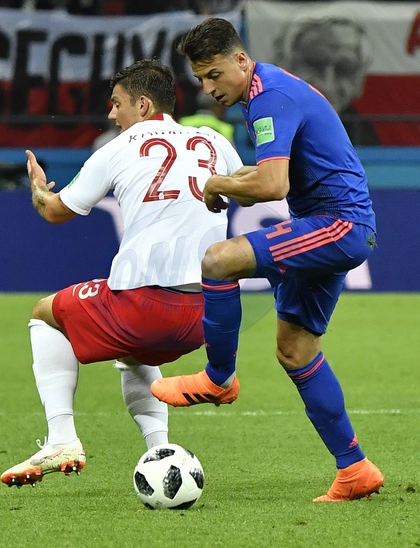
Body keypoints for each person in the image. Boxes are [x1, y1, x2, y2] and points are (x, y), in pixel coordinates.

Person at [150, 18, 384, 502]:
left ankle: (218, 377)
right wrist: (234, 180)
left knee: (218, 261)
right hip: (333, 225)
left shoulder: (269, 97)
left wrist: (218, 184)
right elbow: (271, 172)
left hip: (337, 225)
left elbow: (273, 185)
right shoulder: (266, 90)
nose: (209, 88)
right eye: (201, 79)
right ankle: (354, 469)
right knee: (295, 350)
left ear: (241, 59)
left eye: (214, 74)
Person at [0, 58, 242, 487]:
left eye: (117, 103)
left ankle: (61, 439)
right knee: (132, 353)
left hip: (143, 307)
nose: (111, 114)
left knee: (45, 314)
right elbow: (250, 188)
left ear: (143, 105)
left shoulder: (118, 147)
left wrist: (37, 187)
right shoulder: (215, 142)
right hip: (207, 318)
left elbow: (55, 212)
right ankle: (161, 451)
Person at [272, 16, 380, 146]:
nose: (327, 85)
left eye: (343, 69)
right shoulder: (262, 124)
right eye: (314, 63)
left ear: (358, 81)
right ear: (285, 66)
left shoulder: (363, 135)